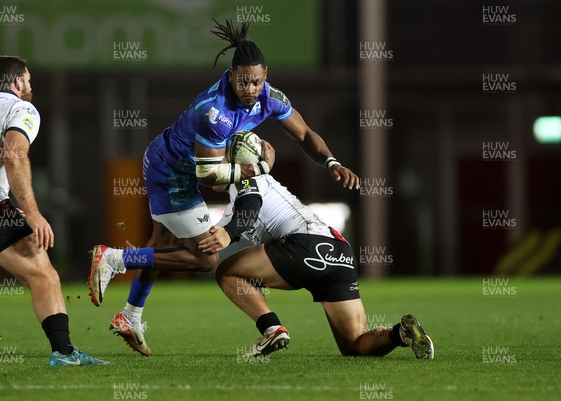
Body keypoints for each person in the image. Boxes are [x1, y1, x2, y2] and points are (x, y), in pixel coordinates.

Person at [88, 19, 360, 356]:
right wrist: (258, 167)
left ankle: (131, 315)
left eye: (256, 81)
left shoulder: (269, 97)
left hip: (185, 164)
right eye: (243, 81)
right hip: (173, 170)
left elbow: (304, 134)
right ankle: (115, 258)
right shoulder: (215, 112)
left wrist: (332, 162)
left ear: (265, 76)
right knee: (205, 259)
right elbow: (208, 176)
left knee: (162, 244)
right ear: (231, 76)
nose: (250, 89)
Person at [0, 56, 109, 366]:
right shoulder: (19, 107)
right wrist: (31, 211)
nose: (30, 87)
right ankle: (65, 353)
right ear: (17, 83)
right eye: (28, 81)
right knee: (43, 274)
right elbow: (13, 153)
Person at [197, 169, 434, 359]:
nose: (207, 172)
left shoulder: (247, 180)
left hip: (304, 246)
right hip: (339, 252)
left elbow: (249, 208)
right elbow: (208, 244)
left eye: (212, 165)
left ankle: (272, 328)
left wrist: (226, 233)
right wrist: (166, 253)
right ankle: (402, 334)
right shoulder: (231, 210)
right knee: (355, 345)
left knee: (227, 273)